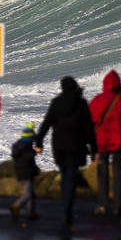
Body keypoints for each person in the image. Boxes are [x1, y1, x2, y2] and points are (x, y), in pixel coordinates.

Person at [35, 77, 97, 229]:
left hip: (60, 147)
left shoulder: (57, 102)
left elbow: (46, 123)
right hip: (76, 146)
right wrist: (94, 149)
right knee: (71, 177)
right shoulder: (81, 103)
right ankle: (67, 210)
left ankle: (65, 207)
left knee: (65, 176)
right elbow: (89, 129)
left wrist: (39, 142)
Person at [90, 70, 121, 217]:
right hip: (119, 142)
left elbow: (91, 121)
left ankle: (102, 205)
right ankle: (118, 206)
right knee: (119, 174)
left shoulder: (97, 100)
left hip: (101, 143)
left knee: (102, 173)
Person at [10, 124, 41, 224]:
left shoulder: (19, 146)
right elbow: (27, 159)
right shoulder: (25, 148)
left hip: (23, 172)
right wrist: (34, 152)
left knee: (31, 193)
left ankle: (31, 211)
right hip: (25, 173)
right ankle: (16, 205)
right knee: (28, 193)